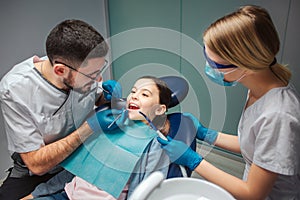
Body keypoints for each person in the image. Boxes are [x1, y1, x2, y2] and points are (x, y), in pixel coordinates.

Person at [158, 5, 300, 200]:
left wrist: (194, 161)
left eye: (215, 64)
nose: (208, 67)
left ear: (245, 65)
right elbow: (256, 145)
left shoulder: (278, 115)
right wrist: (208, 134)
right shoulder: (259, 87)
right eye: (206, 55)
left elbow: (253, 193)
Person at [0, 19, 124, 200]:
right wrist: (88, 128)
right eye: (92, 75)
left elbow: (97, 96)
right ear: (60, 70)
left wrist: (108, 97)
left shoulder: (81, 74)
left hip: (80, 159)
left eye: (100, 70)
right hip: (38, 172)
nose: (98, 80)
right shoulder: (15, 89)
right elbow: (36, 164)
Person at [23, 76, 173, 200]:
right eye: (133, 91)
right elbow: (77, 168)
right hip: (67, 195)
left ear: (160, 109)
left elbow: (143, 191)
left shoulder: (156, 145)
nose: (134, 95)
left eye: (144, 94)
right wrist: (36, 194)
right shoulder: (110, 123)